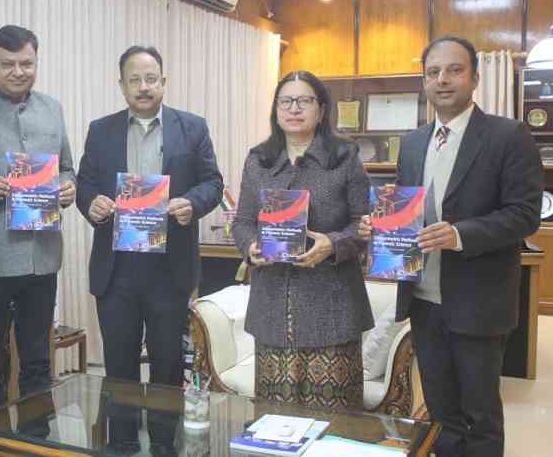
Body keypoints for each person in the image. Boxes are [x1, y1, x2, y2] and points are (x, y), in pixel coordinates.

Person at [359, 36, 543, 457]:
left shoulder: (507, 135)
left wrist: (460, 234)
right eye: (433, 72)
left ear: (475, 78)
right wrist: (382, 226)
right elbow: (409, 210)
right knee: (442, 413)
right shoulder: (413, 142)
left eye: (454, 70)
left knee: (480, 415)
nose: (443, 80)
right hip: (423, 301)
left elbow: (523, 214)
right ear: (424, 82)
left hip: (479, 302)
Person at [76, 45, 223, 454]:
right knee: (119, 367)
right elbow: (86, 183)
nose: (144, 87)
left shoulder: (191, 128)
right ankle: (122, 444)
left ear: (164, 80)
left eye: (151, 78)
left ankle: (163, 444)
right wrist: (93, 203)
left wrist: (190, 204)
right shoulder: (100, 130)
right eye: (135, 79)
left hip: (168, 271)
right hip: (116, 268)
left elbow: (214, 183)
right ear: (121, 84)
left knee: (167, 365)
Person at [0, 25, 76, 415]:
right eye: (8, 64)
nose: (18, 71)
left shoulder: (52, 107)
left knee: (38, 362)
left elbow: (68, 168)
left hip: (41, 258)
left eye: (27, 63)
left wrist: (69, 187)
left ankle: (37, 440)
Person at [231, 70, 372, 410]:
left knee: (335, 422)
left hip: (333, 310)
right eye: (286, 101)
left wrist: (333, 244)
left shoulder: (345, 157)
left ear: (321, 110)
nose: (294, 108)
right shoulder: (258, 160)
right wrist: (250, 246)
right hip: (272, 310)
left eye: (304, 100)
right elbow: (243, 221)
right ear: (276, 110)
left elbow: (365, 224)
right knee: (275, 421)